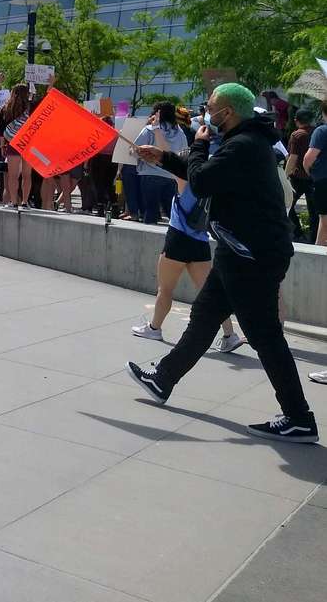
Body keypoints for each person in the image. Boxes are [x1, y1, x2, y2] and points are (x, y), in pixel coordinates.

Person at [128, 83, 316, 444]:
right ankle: (163, 377)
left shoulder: (243, 145)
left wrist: (197, 144)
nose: (206, 113)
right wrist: (164, 158)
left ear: (226, 112)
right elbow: (212, 175)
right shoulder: (247, 142)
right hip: (239, 250)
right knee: (204, 318)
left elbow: (201, 180)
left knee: (265, 336)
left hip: (252, 255)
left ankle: (298, 417)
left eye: (210, 107)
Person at [131, 178, 242, 353]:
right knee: (211, 294)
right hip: (201, 242)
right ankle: (230, 335)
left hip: (178, 239)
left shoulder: (185, 184)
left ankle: (154, 329)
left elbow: (167, 159)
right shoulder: (211, 185)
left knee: (165, 289)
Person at [134, 102, 187, 224]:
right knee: (172, 211)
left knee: (150, 209)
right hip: (172, 175)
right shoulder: (180, 133)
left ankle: (147, 238)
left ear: (157, 113)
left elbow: (136, 150)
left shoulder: (149, 130)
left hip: (150, 173)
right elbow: (184, 153)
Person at [285, 109, 318, 242]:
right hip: (314, 177)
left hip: (297, 177)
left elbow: (292, 158)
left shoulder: (297, 135)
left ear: (296, 121)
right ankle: (314, 238)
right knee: (314, 211)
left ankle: (297, 231)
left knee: (287, 205)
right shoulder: (317, 132)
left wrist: (285, 176)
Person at [303, 112, 327, 247]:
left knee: (324, 219)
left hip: (324, 179)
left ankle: (319, 253)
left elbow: (309, 158)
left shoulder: (322, 131)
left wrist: (310, 172)